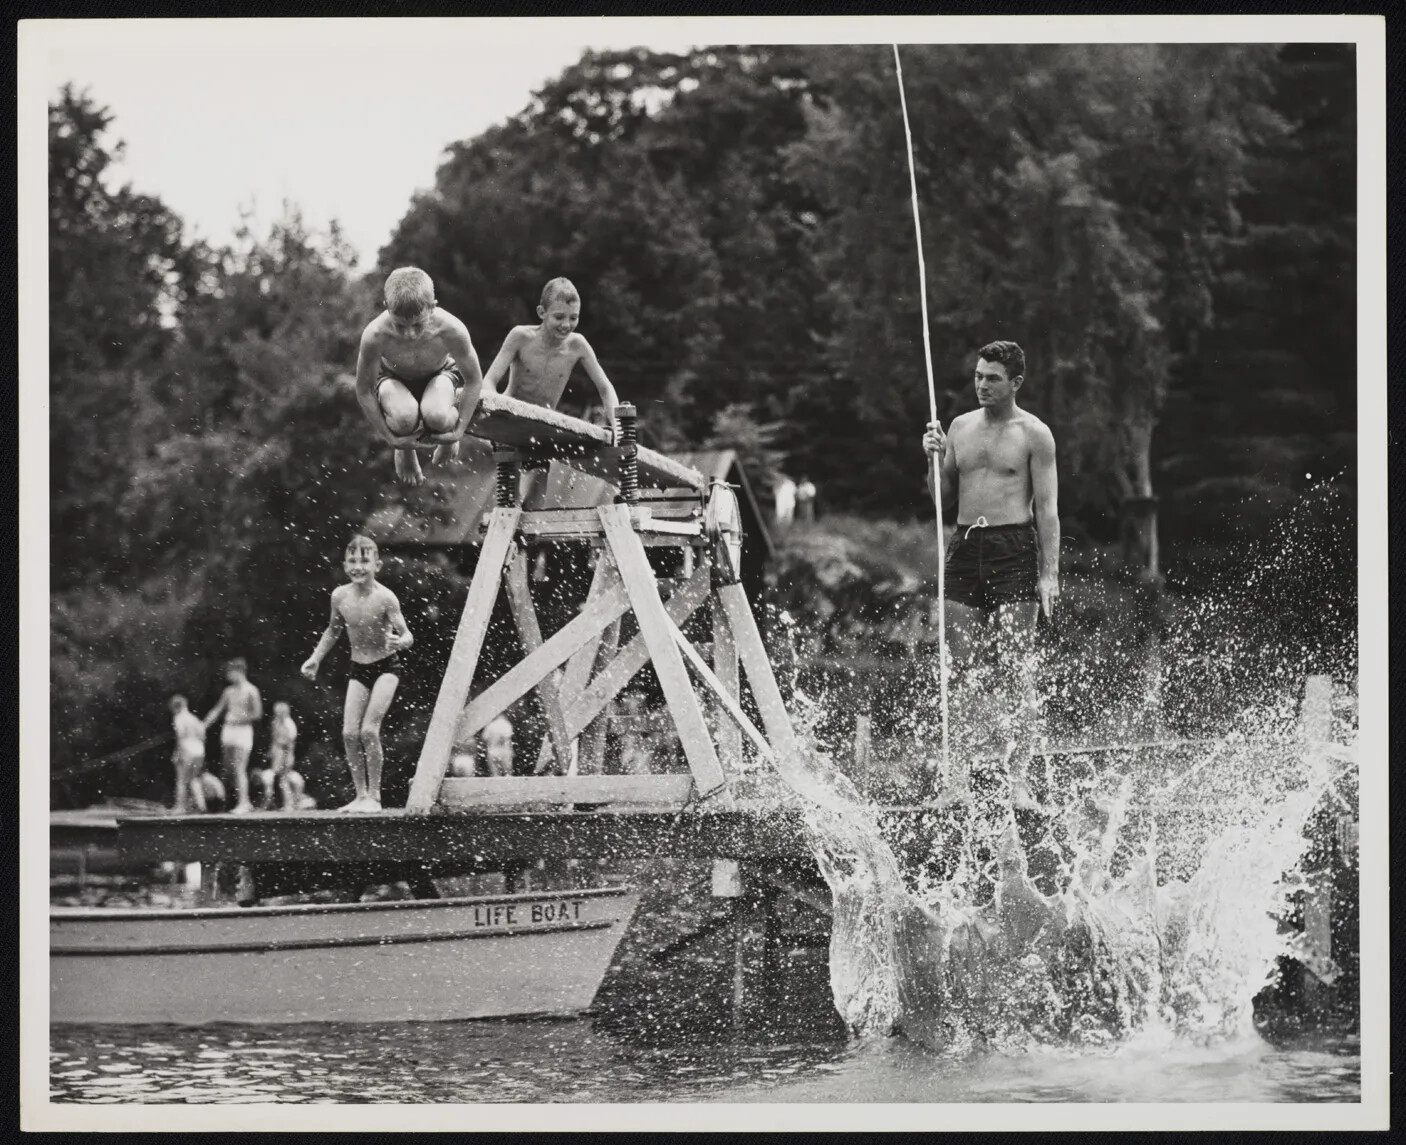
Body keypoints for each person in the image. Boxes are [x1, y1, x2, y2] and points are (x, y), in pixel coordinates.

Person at [921, 340, 1059, 810]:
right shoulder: (959, 426)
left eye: (992, 378)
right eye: (979, 376)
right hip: (965, 546)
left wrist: (1049, 574)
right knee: (959, 672)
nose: (982, 384)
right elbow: (938, 495)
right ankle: (955, 782)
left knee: (1014, 668)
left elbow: (1049, 510)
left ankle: (1018, 782)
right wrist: (931, 456)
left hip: (1013, 548)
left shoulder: (1034, 434)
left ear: (1015, 382)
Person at [480, 277, 622, 502]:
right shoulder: (521, 337)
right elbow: (488, 382)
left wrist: (617, 425)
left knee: (535, 506)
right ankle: (508, 517)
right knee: (509, 501)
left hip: (541, 429)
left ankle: (530, 534)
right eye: (559, 317)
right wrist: (496, 415)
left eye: (573, 318)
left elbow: (605, 388)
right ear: (541, 312)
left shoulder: (578, 345)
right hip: (511, 423)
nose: (566, 324)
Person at [301, 534, 413, 812]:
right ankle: (360, 795)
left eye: (364, 561)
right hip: (358, 668)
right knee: (349, 733)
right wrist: (315, 658)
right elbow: (333, 629)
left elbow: (407, 633)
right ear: (344, 565)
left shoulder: (386, 598)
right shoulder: (339, 596)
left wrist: (401, 641)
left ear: (378, 565)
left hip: (387, 667)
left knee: (368, 731)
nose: (358, 567)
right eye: (352, 561)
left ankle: (374, 796)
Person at [354, 266, 485, 487]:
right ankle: (406, 453)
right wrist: (393, 440)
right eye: (399, 325)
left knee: (437, 417)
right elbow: (364, 390)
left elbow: (474, 380)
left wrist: (459, 431)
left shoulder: (451, 329)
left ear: (432, 307)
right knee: (404, 418)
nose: (409, 334)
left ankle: (446, 429)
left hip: (439, 374)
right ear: (387, 308)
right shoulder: (375, 335)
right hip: (393, 378)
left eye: (417, 324)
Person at [202, 658, 263, 813]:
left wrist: (239, 718)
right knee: (228, 768)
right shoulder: (228, 691)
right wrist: (203, 725)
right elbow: (217, 710)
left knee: (239, 767)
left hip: (242, 731)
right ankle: (231, 801)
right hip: (228, 731)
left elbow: (257, 714)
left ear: (240, 671)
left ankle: (244, 802)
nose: (228, 676)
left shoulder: (251, 690)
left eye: (230, 672)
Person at [168, 695, 209, 814]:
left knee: (181, 780)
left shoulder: (178, 718)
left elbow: (181, 736)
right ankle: (202, 805)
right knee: (193, 778)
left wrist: (177, 753)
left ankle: (180, 807)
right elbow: (202, 735)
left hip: (187, 749)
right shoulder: (194, 718)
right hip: (199, 750)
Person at [265, 701, 299, 810]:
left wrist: (287, 757)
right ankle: (285, 803)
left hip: (284, 753)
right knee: (280, 779)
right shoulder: (277, 723)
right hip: (279, 753)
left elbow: (289, 743)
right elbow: (275, 739)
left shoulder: (288, 724)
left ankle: (289, 804)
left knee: (284, 779)